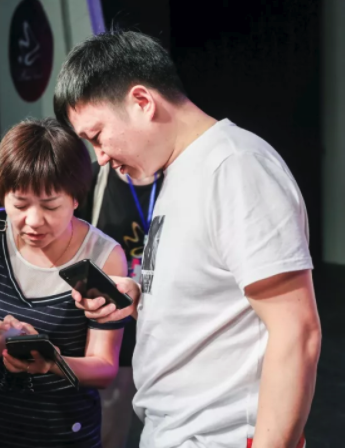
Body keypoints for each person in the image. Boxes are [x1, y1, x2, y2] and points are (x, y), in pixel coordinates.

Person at [54, 30, 320, 448]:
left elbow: (297, 332)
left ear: (142, 101)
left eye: (97, 135)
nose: (100, 157)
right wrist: (139, 296)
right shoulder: (179, 172)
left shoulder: (235, 167)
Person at [0, 118, 133, 448]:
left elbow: (104, 368)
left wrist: (53, 362)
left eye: (50, 205)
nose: (33, 221)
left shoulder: (103, 256)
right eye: (19, 204)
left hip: (63, 435)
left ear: (75, 198)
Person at [76, 164, 163, 447]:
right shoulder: (96, 179)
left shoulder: (176, 178)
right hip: (111, 314)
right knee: (110, 415)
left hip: (164, 315)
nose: (101, 153)